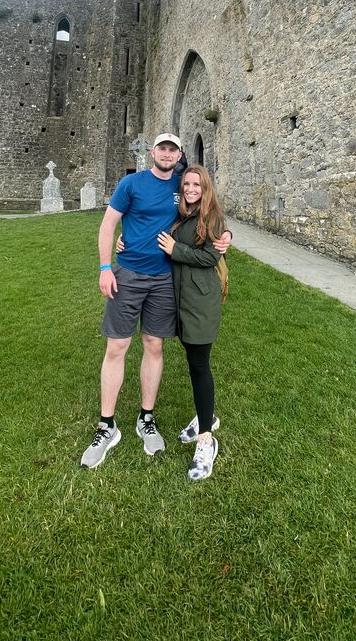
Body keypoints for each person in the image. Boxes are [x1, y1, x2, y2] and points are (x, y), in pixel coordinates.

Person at [80, 134, 231, 470]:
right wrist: (106, 266)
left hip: (165, 280)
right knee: (116, 347)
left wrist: (226, 235)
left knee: (154, 345)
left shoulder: (184, 185)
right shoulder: (131, 183)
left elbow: (209, 210)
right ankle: (107, 426)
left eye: (172, 149)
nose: (166, 153)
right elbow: (108, 224)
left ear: (178, 155)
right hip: (128, 274)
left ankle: (145, 418)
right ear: (152, 152)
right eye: (161, 148)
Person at [157, 164, 225, 481]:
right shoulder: (182, 215)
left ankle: (207, 440)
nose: (191, 188)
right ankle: (204, 415)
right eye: (186, 184)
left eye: (196, 184)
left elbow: (211, 257)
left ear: (205, 187)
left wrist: (176, 249)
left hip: (200, 303)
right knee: (194, 363)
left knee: (199, 366)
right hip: (182, 302)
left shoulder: (210, 216)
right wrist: (124, 244)